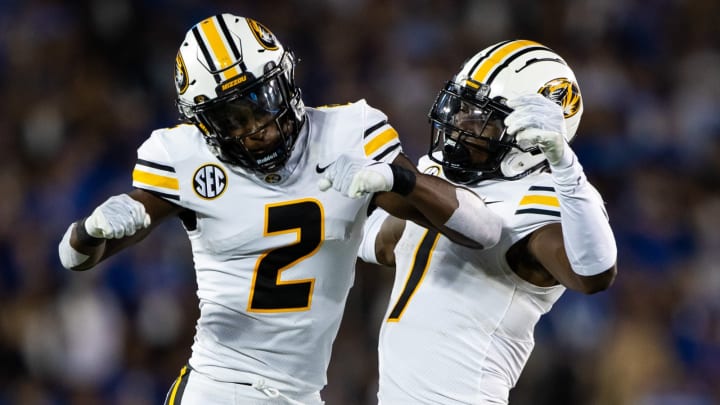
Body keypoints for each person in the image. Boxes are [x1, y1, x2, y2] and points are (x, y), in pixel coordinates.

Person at [57, 13, 503, 405]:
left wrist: (398, 177)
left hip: (304, 393)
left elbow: (480, 229)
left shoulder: (350, 132)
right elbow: (75, 259)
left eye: (260, 102)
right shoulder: (181, 158)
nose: (256, 129)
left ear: (285, 81)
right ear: (204, 125)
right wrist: (89, 232)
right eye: (231, 119)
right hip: (219, 387)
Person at [358, 39, 618, 404]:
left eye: (483, 118)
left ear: (526, 139)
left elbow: (594, 275)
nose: (460, 123)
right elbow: (387, 244)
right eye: (463, 107)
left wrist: (565, 165)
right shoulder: (440, 176)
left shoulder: (546, 198)